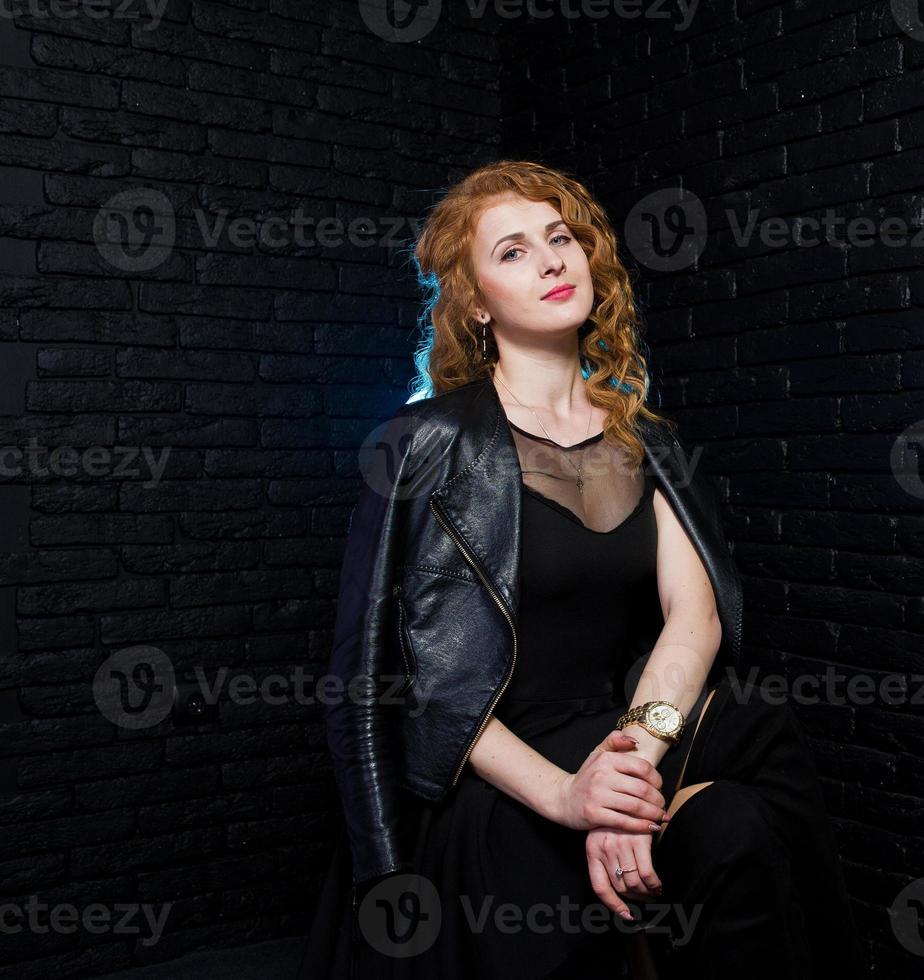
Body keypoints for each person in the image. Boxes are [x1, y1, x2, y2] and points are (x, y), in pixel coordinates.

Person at [295, 160, 865, 979]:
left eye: (560, 239)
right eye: (514, 252)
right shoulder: (422, 442)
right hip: (495, 768)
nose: (553, 261)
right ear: (477, 302)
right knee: (751, 739)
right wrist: (567, 796)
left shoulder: (650, 442)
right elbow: (389, 678)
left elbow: (692, 619)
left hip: (620, 733)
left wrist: (624, 776)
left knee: (738, 810)